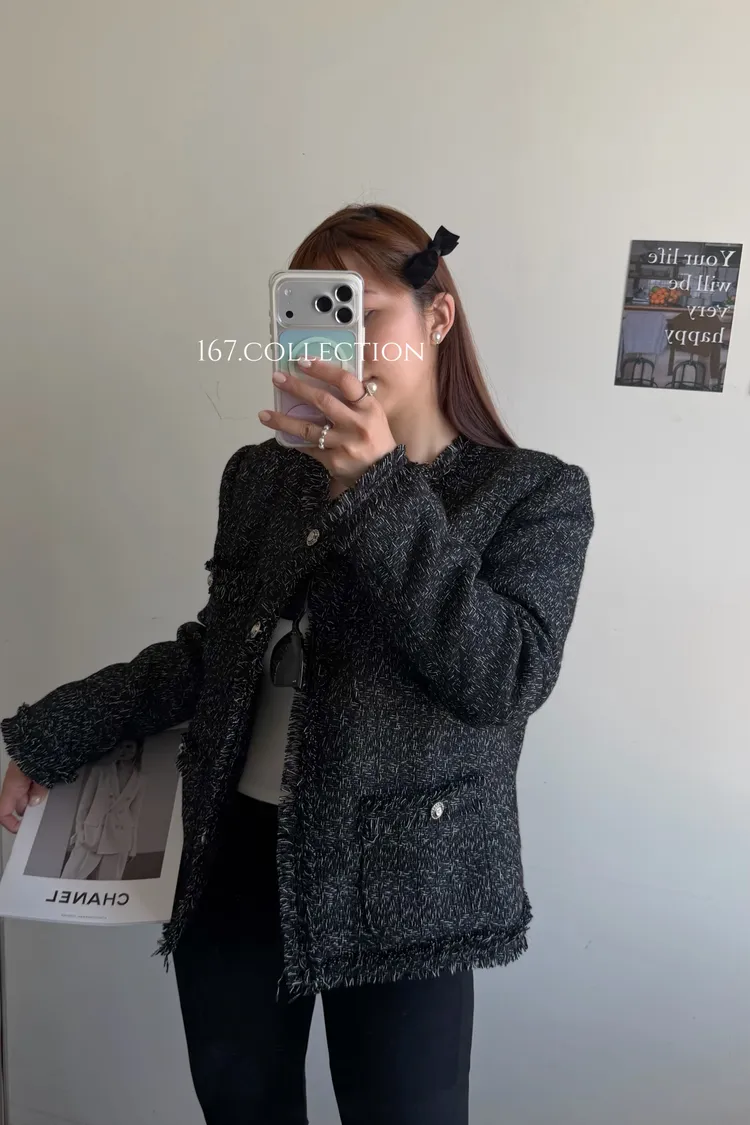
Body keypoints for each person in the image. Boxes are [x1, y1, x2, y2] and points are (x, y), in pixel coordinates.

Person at [0, 203, 595, 1125]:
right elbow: (217, 652)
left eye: (366, 313)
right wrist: (57, 732)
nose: (341, 346)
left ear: (437, 316)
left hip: (409, 880)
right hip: (236, 859)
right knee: (241, 1107)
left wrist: (378, 488)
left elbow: (506, 675)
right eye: (318, 315)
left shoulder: (533, 493)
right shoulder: (263, 476)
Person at [60, 737, 145, 880]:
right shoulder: (100, 771)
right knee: (70, 877)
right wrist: (80, 832)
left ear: (138, 750)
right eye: (120, 747)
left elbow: (135, 814)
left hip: (120, 837)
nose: (123, 751)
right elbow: (84, 805)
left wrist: (133, 847)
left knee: (109, 882)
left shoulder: (140, 779)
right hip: (92, 834)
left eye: (129, 746)